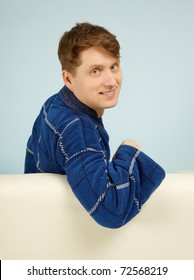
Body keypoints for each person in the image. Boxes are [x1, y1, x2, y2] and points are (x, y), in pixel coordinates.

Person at [25, 22, 165, 228]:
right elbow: (112, 212)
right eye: (96, 71)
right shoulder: (78, 128)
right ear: (68, 79)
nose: (111, 81)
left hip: (41, 223)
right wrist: (128, 152)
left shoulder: (54, 103)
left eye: (114, 66)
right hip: (63, 237)